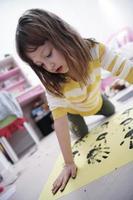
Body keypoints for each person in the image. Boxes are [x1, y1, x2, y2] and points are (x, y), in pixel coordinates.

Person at [15, 8, 133, 194]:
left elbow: (127, 70)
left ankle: (98, 103)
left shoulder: (94, 50)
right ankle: (76, 118)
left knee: (111, 111)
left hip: (96, 101)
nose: (50, 66)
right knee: (82, 132)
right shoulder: (53, 84)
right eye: (41, 65)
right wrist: (68, 163)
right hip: (74, 111)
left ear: (62, 34)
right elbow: (59, 121)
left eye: (48, 55)